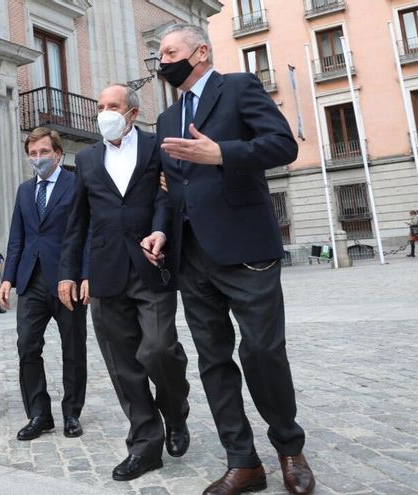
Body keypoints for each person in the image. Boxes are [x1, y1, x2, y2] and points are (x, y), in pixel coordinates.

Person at [145, 23, 314, 495]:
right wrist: (159, 229)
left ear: (200, 52)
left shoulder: (238, 87)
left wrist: (221, 152)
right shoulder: (167, 118)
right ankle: (243, 462)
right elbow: (169, 185)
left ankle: (288, 449)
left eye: (170, 52)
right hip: (190, 255)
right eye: (158, 56)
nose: (162, 62)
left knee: (262, 351)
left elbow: (282, 145)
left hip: (245, 249)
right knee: (213, 360)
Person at [58, 84, 191, 482]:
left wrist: (160, 231)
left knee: (158, 350)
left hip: (152, 263)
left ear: (131, 112)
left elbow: (167, 199)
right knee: (123, 366)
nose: (103, 113)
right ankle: (145, 444)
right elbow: (77, 220)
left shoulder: (156, 147)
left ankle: (175, 412)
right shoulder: (85, 159)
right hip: (105, 270)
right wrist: (68, 271)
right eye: (99, 106)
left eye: (111, 106)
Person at [0, 127, 89, 441]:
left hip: (69, 281)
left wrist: (85, 274)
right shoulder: (25, 191)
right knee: (27, 346)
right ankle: (39, 414)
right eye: (33, 153)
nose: (38, 158)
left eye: (44, 152)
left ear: (58, 154)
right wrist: (7, 276)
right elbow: (18, 237)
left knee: (73, 349)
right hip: (31, 280)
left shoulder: (76, 185)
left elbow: (86, 234)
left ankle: (72, 413)